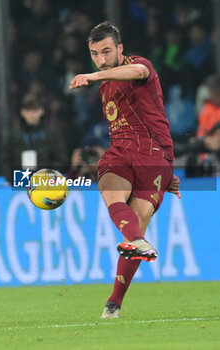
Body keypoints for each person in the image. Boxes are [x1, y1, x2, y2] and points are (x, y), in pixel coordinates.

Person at [69, 21, 180, 319]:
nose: (101, 59)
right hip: (122, 151)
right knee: (112, 191)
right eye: (94, 54)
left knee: (138, 220)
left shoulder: (139, 65)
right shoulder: (106, 88)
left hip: (155, 154)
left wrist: (93, 75)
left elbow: (137, 73)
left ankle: (114, 301)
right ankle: (136, 246)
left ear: (119, 48)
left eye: (106, 51)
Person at [1, 94, 69, 183]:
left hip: (46, 183)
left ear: (41, 111)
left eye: (35, 110)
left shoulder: (52, 134)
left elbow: (61, 159)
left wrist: (47, 178)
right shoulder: (14, 135)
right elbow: (5, 160)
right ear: (22, 112)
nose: (31, 114)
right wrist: (14, 179)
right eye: (28, 110)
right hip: (20, 182)